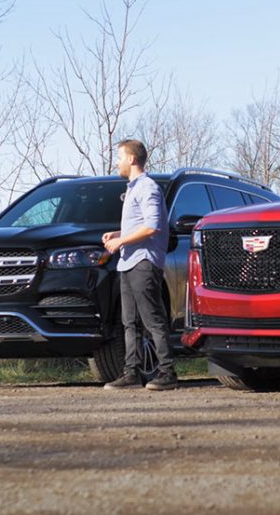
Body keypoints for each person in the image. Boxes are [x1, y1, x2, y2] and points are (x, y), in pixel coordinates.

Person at [101, 139, 177, 391]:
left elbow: (152, 226)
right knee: (130, 322)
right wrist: (117, 234)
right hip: (128, 262)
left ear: (132, 159)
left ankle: (167, 373)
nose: (117, 163)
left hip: (143, 262)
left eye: (120, 157)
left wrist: (121, 240)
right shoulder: (133, 188)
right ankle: (131, 373)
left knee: (152, 319)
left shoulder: (147, 188)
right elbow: (139, 225)